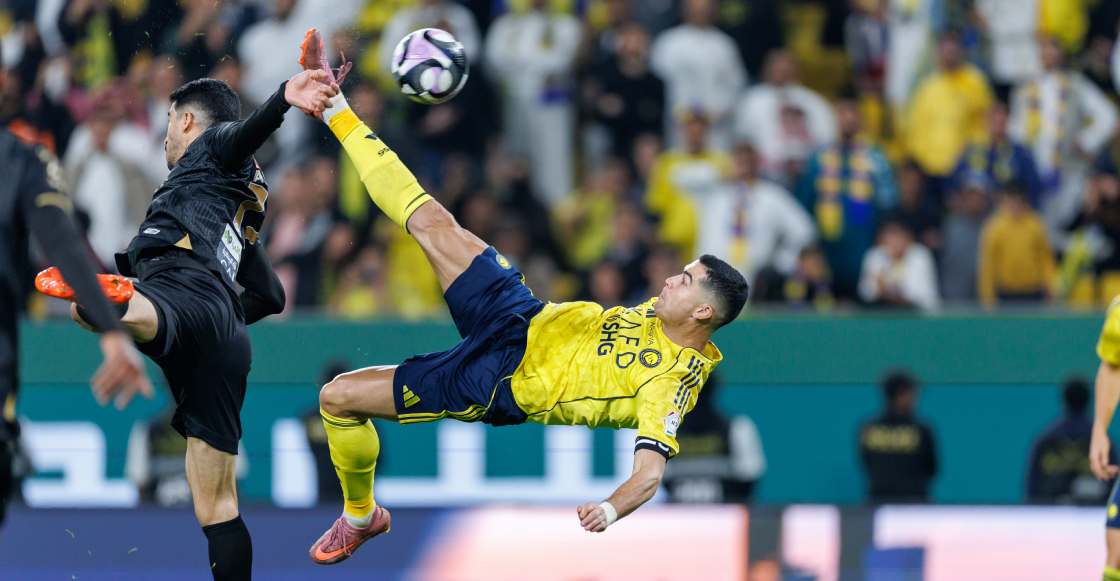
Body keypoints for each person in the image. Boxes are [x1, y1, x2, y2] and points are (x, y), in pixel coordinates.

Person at [297, 30, 750, 564]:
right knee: (431, 218)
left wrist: (609, 509)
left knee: (337, 397)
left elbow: (649, 475)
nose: (671, 280)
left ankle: (360, 516)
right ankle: (334, 105)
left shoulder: (671, 381)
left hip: (497, 380)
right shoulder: (661, 312)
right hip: (521, 313)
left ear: (703, 311)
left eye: (686, 280)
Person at [62, 68, 336, 580]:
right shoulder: (236, 202)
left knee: (89, 311)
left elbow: (242, 134)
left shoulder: (211, 146)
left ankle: (118, 301)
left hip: (181, 291)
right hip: (226, 336)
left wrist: (283, 98)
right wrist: (220, 319)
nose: (165, 133)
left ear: (187, 121)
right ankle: (117, 303)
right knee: (217, 506)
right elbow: (271, 296)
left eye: (169, 120)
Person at [0, 44, 151, 536]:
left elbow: (64, 242)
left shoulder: (24, 158)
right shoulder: (22, 159)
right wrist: (112, 331)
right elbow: (62, 242)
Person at [797, 95, 897, 300]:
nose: (848, 118)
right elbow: (804, 203)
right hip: (826, 250)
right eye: (843, 113)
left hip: (863, 248)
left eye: (852, 112)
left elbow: (889, 204)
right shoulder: (819, 158)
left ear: (861, 118)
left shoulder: (876, 158)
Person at [696, 143, 816, 287]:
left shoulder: (771, 196)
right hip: (714, 279)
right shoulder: (715, 195)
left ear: (756, 165)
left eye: (747, 162)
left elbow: (804, 230)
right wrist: (721, 174)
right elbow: (682, 178)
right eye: (739, 162)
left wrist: (783, 262)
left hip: (756, 280)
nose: (743, 169)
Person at [649, 0, 746, 151]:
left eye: (704, 9)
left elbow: (735, 85)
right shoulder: (668, 42)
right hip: (678, 125)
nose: (699, 13)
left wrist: (715, 112)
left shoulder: (724, 45)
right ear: (685, 10)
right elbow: (655, 84)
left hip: (716, 127)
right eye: (695, 8)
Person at [1026, 377, 1114, 504]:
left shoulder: (1046, 441)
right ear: (1089, 400)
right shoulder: (1104, 444)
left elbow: (1031, 491)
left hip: (1050, 515)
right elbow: (1114, 491)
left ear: (1064, 400)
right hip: (1093, 515)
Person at [858, 371, 938, 503]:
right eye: (910, 393)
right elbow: (931, 469)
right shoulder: (921, 430)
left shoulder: (869, 429)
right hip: (912, 504)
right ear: (898, 395)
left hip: (881, 502)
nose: (914, 399)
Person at [977, 183, 1057, 306]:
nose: (1014, 205)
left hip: (1033, 292)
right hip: (1006, 293)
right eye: (1010, 200)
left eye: (1017, 200)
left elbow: (1045, 259)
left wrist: (1052, 288)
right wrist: (987, 297)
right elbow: (988, 265)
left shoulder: (1034, 224)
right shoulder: (995, 227)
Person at [858, 220, 940, 312]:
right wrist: (878, 288)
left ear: (908, 239)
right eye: (890, 242)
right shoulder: (875, 255)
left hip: (919, 314)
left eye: (898, 240)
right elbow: (865, 293)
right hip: (883, 312)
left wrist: (888, 290)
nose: (895, 245)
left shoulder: (920, 255)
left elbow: (921, 295)